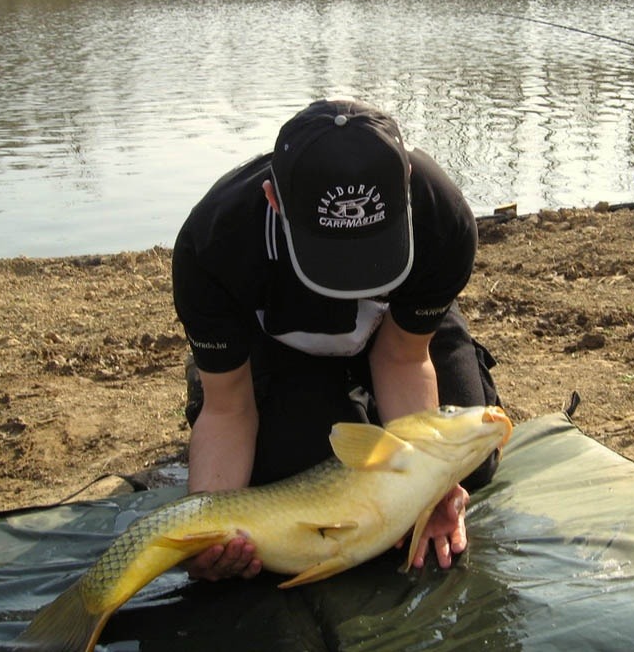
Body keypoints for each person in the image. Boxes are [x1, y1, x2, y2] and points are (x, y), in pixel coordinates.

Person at [172, 97, 500, 582]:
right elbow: (229, 408)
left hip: (396, 335)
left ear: (405, 184)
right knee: (281, 479)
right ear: (274, 200)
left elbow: (403, 358)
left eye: (370, 255)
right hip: (279, 344)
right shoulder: (213, 243)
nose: (358, 280)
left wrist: (426, 487)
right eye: (336, 259)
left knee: (473, 464)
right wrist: (204, 532)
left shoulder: (443, 218)